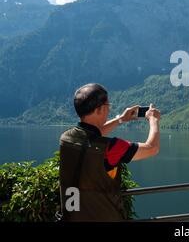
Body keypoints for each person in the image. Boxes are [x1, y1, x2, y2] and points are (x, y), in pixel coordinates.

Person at [59, 83, 160, 221]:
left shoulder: (66, 138)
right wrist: (154, 120)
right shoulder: (111, 148)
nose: (109, 109)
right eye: (108, 105)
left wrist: (121, 119)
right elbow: (152, 148)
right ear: (99, 109)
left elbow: (92, 135)